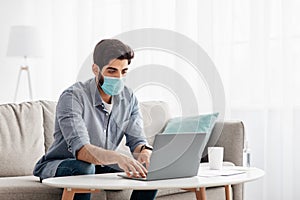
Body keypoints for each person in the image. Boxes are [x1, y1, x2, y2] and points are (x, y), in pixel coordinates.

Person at [33, 39, 157, 200]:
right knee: (84, 168)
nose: (119, 78)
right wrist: (118, 157)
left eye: (124, 71)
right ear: (95, 69)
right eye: (112, 71)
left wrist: (145, 153)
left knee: (153, 168)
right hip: (64, 163)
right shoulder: (72, 97)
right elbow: (82, 150)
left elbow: (138, 141)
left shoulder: (128, 97)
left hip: (102, 165)